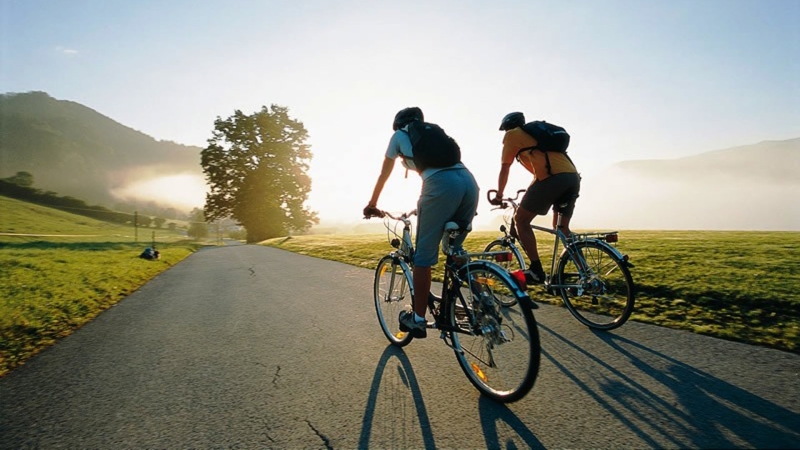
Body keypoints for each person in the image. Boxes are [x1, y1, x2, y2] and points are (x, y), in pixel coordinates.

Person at [364, 107, 479, 338]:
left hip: (440, 185)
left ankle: (417, 319)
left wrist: (372, 204)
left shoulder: (399, 136)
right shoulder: (434, 134)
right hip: (469, 183)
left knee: (423, 258)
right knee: (454, 250)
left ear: (397, 124)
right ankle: (482, 302)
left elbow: (383, 174)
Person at [489, 111, 581, 285]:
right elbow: (539, 173)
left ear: (507, 127)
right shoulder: (537, 140)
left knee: (521, 220)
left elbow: (505, 168)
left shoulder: (512, 135)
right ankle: (584, 272)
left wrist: (499, 195)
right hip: (572, 178)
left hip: (554, 179)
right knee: (561, 228)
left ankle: (536, 270)